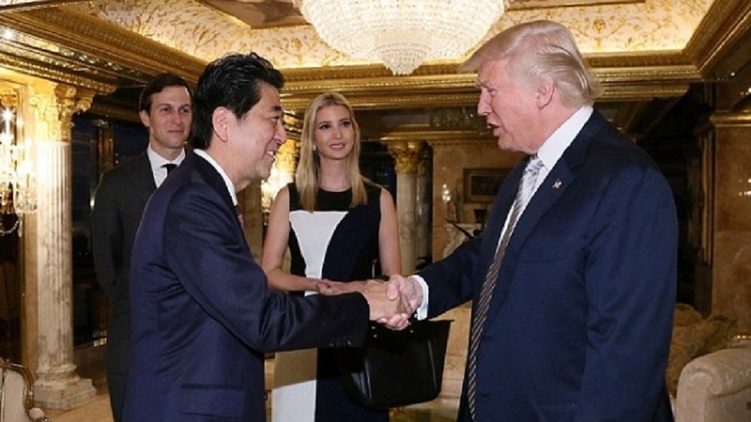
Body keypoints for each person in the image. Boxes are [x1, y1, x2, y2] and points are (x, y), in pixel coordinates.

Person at [387, 20, 677, 422]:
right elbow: (492, 255)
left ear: (543, 91)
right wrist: (420, 290)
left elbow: (626, 355)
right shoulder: (528, 171)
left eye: (490, 90)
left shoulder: (626, 180)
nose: (481, 107)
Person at [121, 52, 407, 422]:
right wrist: (363, 304)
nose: (282, 136)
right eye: (273, 119)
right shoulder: (194, 202)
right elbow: (262, 319)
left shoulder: (203, 192)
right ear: (224, 124)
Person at [261, 92, 401, 422]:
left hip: (358, 333)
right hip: (302, 330)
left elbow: (394, 278)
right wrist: (312, 285)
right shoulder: (289, 197)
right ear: (312, 138)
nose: (337, 134)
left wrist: (356, 288)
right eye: (325, 126)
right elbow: (269, 272)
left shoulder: (379, 199)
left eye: (344, 124)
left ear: (355, 132)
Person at [91, 72, 191, 422]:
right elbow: (106, 265)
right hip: (135, 338)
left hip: (198, 341)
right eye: (166, 109)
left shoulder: (211, 180)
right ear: (146, 117)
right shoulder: (116, 183)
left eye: (184, 110)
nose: (177, 119)